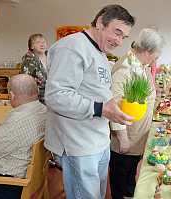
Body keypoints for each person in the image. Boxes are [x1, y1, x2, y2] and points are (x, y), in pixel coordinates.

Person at [44, 5, 135, 199]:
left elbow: (97, 92)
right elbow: (56, 95)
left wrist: (115, 106)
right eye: (117, 32)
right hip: (78, 144)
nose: (119, 41)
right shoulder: (72, 46)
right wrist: (101, 108)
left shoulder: (101, 53)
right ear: (101, 22)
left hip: (98, 140)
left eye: (123, 37)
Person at [109, 28, 165, 199]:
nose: (157, 58)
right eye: (156, 54)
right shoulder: (125, 69)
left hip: (137, 137)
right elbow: (115, 105)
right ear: (147, 52)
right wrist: (123, 139)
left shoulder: (141, 65)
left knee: (131, 184)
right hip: (126, 141)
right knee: (121, 182)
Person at [0, 74, 46, 199]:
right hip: (35, 177)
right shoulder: (43, 110)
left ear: (11, 95)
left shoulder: (17, 119)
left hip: (9, 183)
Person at [21, 33, 48, 104]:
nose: (42, 44)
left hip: (53, 94)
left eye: (44, 42)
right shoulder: (28, 60)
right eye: (38, 42)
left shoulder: (51, 56)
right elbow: (25, 81)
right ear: (32, 46)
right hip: (38, 98)